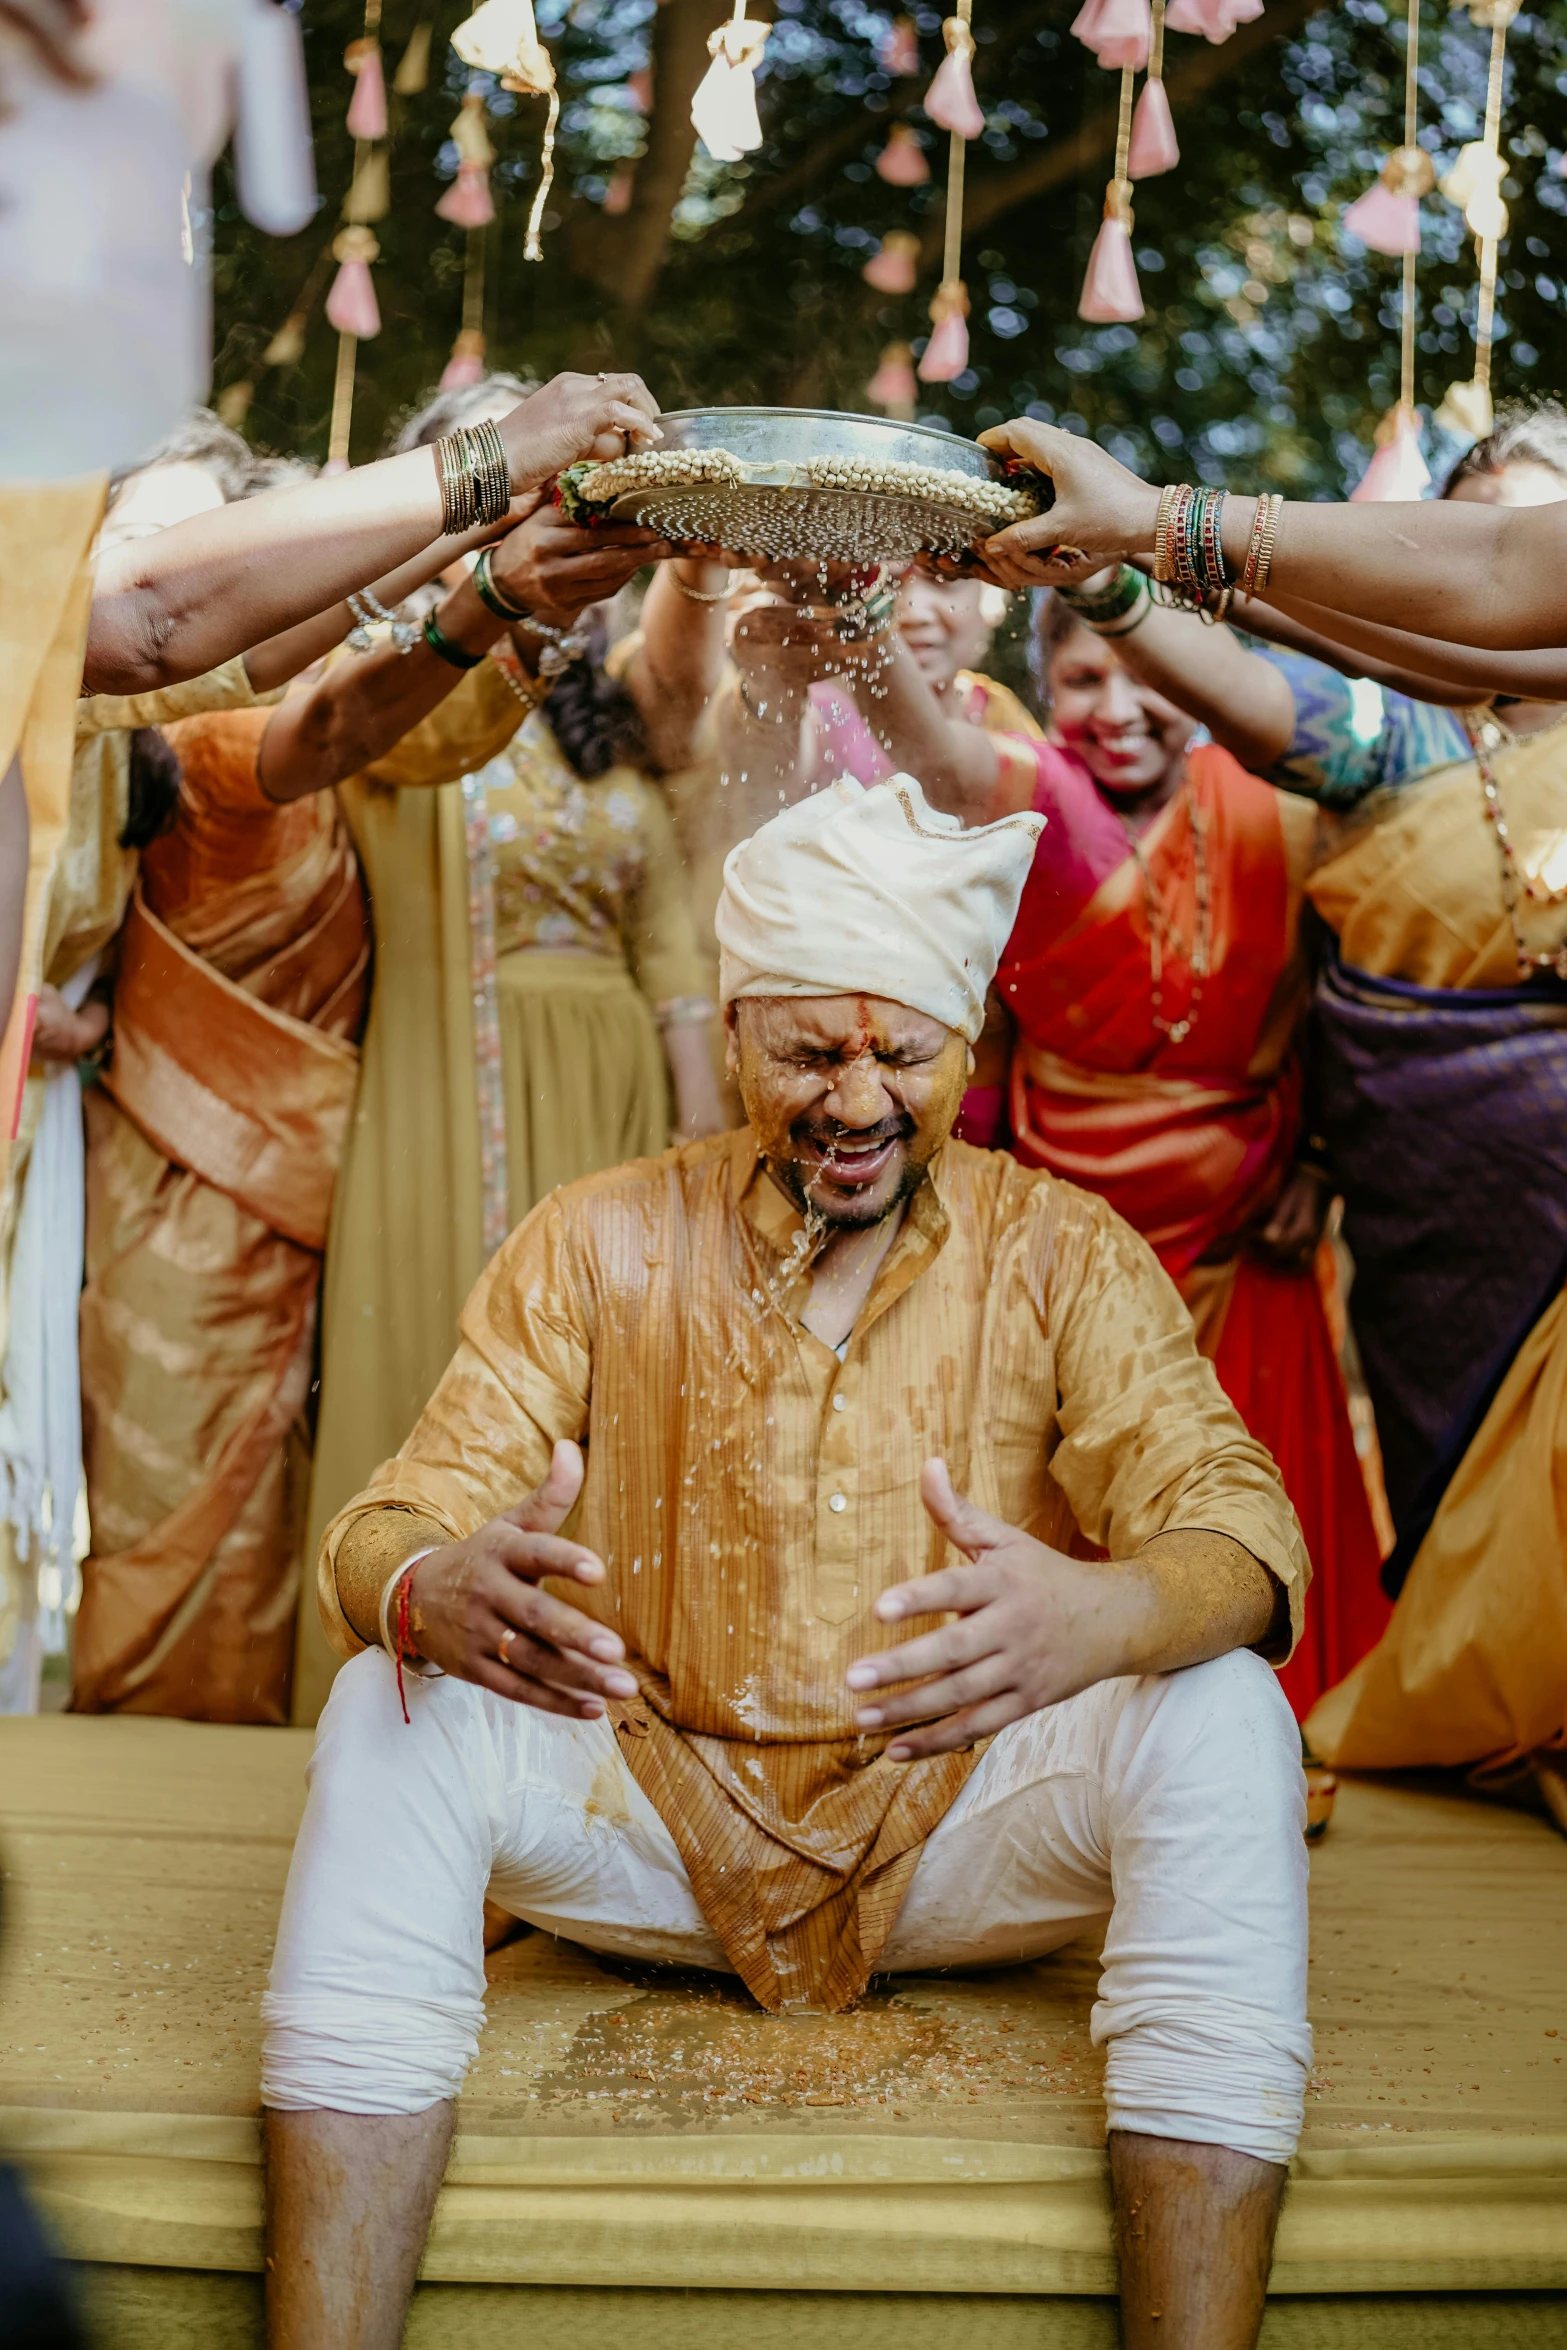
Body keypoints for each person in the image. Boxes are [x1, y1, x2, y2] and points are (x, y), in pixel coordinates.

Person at [262, 772, 1314, 2350]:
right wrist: (437, 1583)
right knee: (384, 1702)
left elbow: (1243, 1529)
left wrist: (1098, 1610)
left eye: (900, 1049)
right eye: (808, 1049)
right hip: (647, 1817)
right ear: (734, 1026)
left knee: (1224, 1706)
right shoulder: (599, 1233)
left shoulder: (1059, 1249)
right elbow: (384, 1524)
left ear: (963, 1041)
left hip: (959, 1819)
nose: (853, 1096)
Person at [1000, 405, 1567, 1813]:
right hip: (1448, 1224)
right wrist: (1117, 561)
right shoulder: (1397, 739)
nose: (1511, 547)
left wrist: (1145, 529)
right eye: (1486, 522)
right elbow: (1282, 696)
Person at [297, 380, 722, 1723]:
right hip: (447, 1089)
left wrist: (704, 1164)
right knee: (439, 1378)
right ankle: (401, 1700)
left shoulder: (611, 734)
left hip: (612, 1106)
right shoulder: (388, 698)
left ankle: (590, 1723)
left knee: (599, 1407)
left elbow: (674, 967)